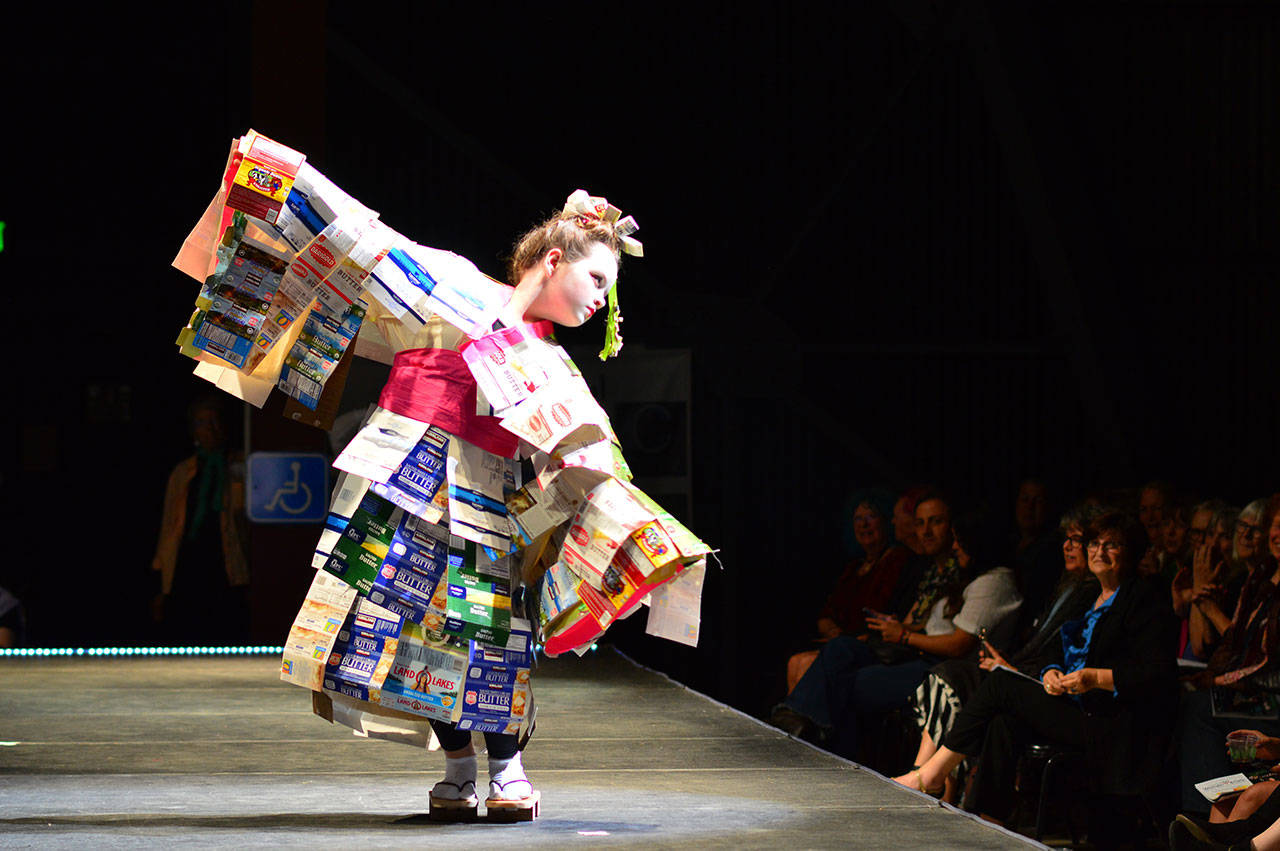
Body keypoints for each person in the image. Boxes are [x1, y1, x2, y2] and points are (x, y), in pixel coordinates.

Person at [893, 510, 1178, 840]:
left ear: (1131, 551)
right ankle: (989, 822)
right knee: (1003, 721)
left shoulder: (1142, 599)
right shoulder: (1088, 595)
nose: (1099, 552)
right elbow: (1055, 651)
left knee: (1000, 683)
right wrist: (1052, 671)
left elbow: (1157, 674)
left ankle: (930, 774)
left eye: (1111, 545)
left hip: (1110, 723)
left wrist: (1095, 678)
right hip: (1074, 708)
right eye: (1095, 543)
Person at [903, 503, 1102, 797]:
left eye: (1077, 539)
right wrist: (1011, 665)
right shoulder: (1069, 587)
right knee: (957, 684)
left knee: (955, 675)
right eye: (1067, 539)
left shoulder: (1091, 594)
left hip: (1067, 699)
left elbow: (1069, 657)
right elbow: (1047, 650)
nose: (1067, 546)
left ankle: (927, 778)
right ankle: (933, 781)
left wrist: (1017, 671)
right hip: (1035, 679)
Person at [1178, 495, 1280, 815]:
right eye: (1276, 526)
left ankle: (1204, 814)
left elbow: (1269, 663)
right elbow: (1226, 644)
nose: (1277, 534)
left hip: (1271, 697)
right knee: (1179, 694)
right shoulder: (1261, 577)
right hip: (1252, 692)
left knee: (1200, 708)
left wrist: (1217, 681)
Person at [783, 489, 911, 693]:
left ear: (886, 521)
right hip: (840, 643)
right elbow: (826, 613)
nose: (864, 524)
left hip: (871, 645)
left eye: (871, 517)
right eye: (858, 519)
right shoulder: (853, 569)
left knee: (806, 664)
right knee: (795, 662)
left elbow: (881, 610)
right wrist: (833, 630)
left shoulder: (896, 560)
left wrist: (848, 638)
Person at [151, 395, 250, 644]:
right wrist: (162, 576)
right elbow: (170, 524)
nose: (210, 429)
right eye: (202, 423)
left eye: (214, 422)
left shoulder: (241, 466)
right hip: (190, 558)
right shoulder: (184, 471)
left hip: (227, 559)